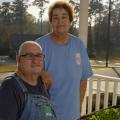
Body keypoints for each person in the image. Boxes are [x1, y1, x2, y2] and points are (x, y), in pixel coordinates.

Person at [36, 1, 93, 120]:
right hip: (43, 114)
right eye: (55, 18)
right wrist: (41, 72)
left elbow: (83, 79)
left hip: (71, 115)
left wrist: (78, 109)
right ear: (51, 21)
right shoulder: (39, 45)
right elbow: (23, 70)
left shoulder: (78, 45)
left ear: (70, 21)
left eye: (64, 17)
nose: (60, 22)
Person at [0, 41, 57, 120]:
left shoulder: (42, 84)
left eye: (39, 55)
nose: (35, 61)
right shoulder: (11, 86)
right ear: (18, 59)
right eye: (29, 56)